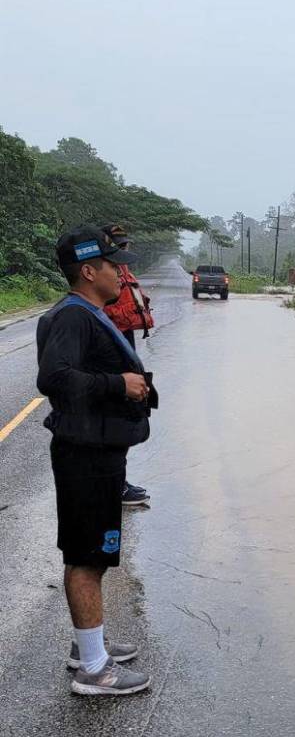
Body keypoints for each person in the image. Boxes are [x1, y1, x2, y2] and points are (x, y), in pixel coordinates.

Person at [37, 225, 157, 695]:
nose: (120, 273)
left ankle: (88, 644)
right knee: (87, 557)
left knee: (95, 554)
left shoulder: (89, 313)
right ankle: (94, 670)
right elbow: (55, 378)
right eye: (112, 265)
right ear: (89, 271)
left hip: (98, 451)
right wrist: (118, 385)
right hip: (84, 454)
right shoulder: (73, 317)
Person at [100, 224, 153, 508]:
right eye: (118, 246)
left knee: (126, 416)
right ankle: (114, 486)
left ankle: (116, 481)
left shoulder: (119, 273)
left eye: (124, 245)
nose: (124, 250)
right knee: (115, 418)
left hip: (124, 346)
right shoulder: (102, 277)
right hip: (112, 355)